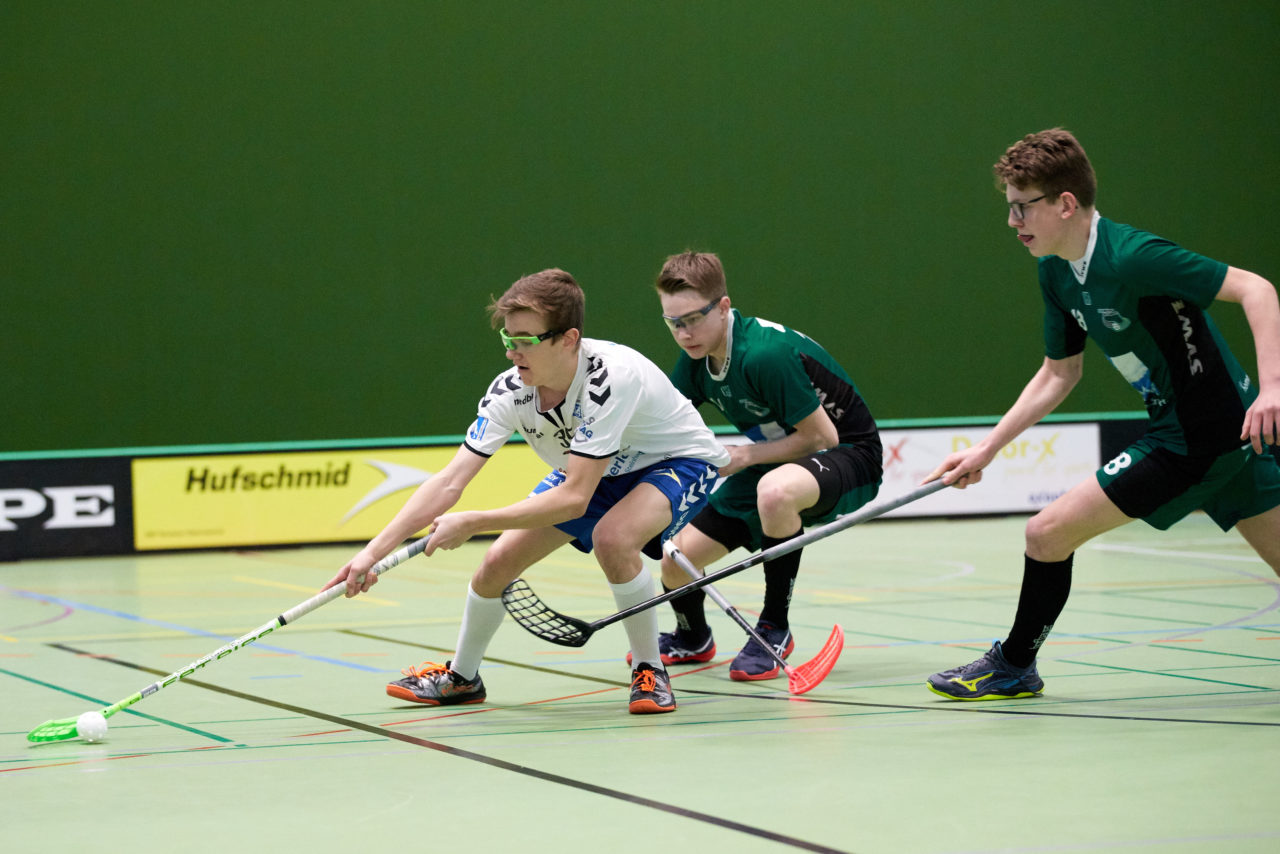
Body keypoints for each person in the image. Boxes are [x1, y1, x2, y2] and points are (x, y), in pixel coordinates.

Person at [925, 128, 1280, 700]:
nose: (1014, 223)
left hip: (1201, 436)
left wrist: (1273, 389)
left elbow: (1256, 290)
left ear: (1065, 204)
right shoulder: (1056, 271)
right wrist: (987, 449)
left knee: (1046, 532)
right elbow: (1058, 373)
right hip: (1223, 434)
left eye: (1023, 208)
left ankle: (1013, 664)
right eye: (1010, 208)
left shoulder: (1134, 257)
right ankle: (1015, 665)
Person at [325, 269, 729, 714]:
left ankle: (650, 671)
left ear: (569, 338)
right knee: (497, 562)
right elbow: (449, 481)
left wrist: (475, 521)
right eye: (508, 339)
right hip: (592, 468)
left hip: (672, 461)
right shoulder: (510, 392)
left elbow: (575, 498)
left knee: (613, 538)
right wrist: (371, 554)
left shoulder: (609, 380)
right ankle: (462, 677)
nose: (513, 352)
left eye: (526, 340)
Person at [646, 251, 883, 680]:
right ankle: (693, 637)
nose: (684, 333)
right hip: (776, 459)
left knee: (775, 492)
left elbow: (822, 437)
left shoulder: (763, 354)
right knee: (676, 559)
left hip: (847, 455)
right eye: (673, 323)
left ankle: (775, 627)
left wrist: (745, 456)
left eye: (693, 319)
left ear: (723, 307)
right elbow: (664, 426)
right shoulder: (696, 360)